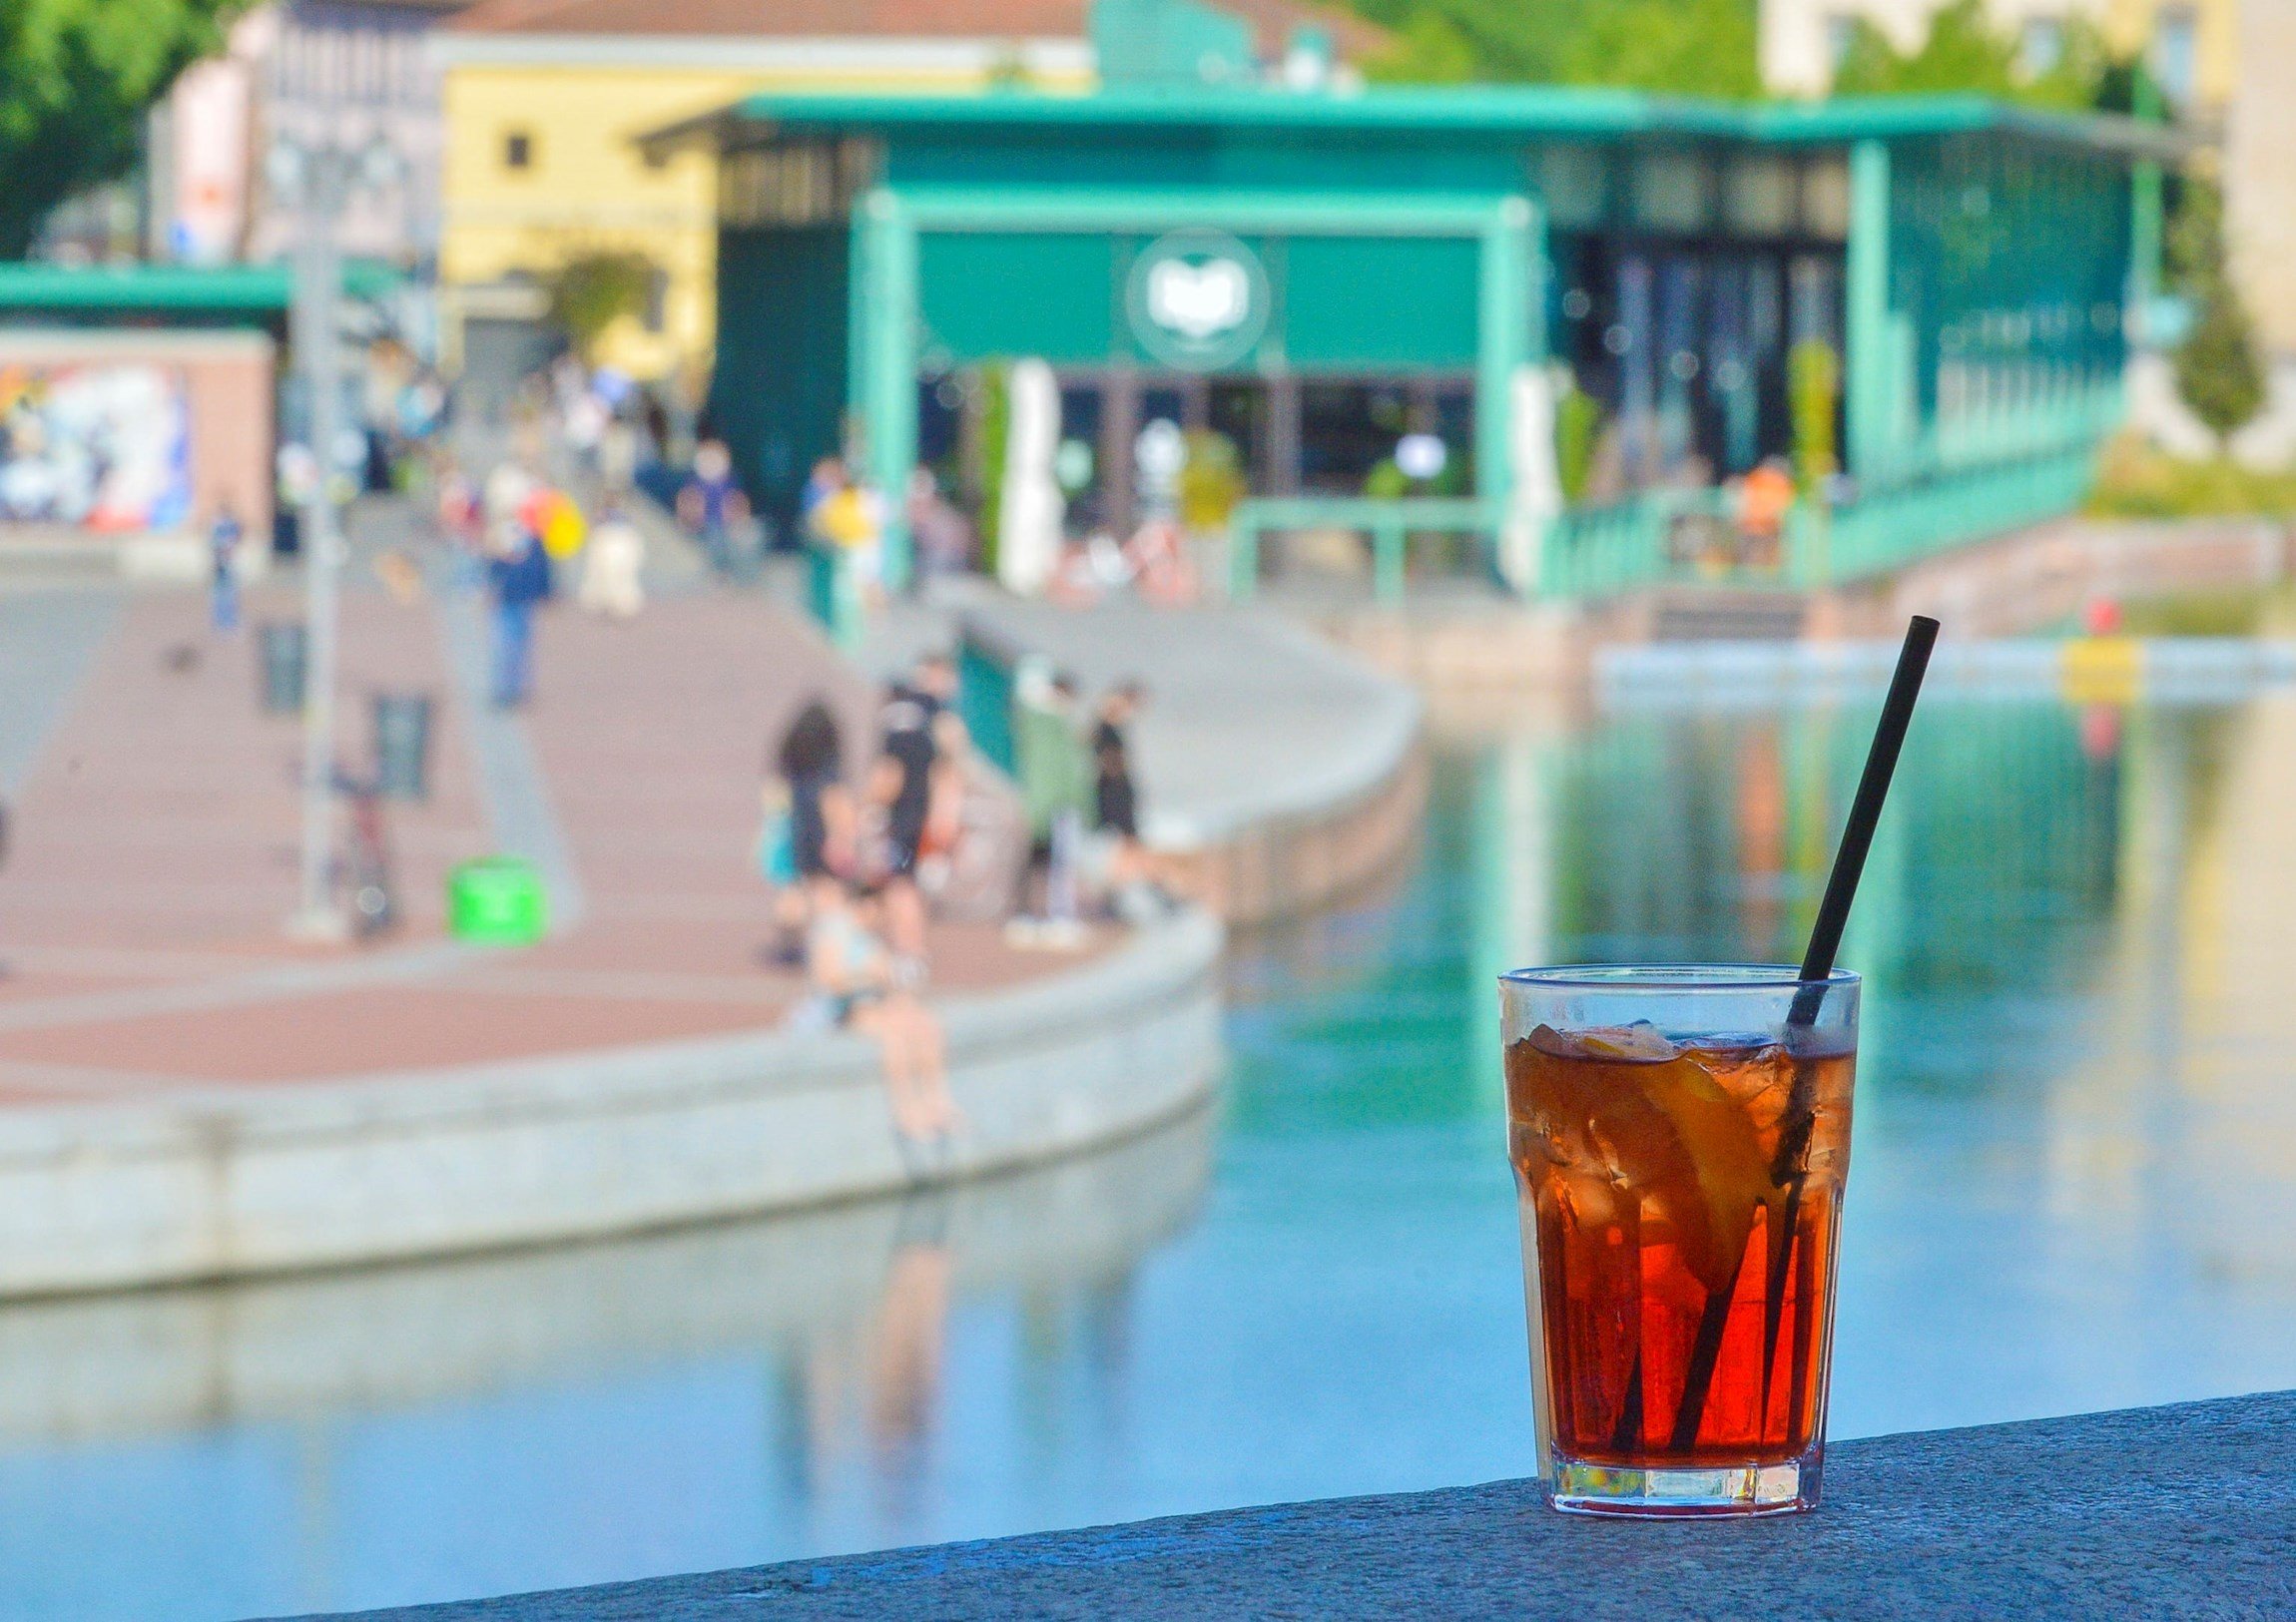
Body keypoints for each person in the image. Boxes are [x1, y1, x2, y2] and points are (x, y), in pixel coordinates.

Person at [802, 874, 958, 1143]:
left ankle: (937, 1100)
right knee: (896, 1036)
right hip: (847, 1010)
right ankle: (905, 1110)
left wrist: (898, 987)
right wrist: (870, 975)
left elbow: (889, 978)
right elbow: (828, 981)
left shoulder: (869, 936)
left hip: (875, 1004)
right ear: (867, 905)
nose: (882, 919)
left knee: (925, 1024)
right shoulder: (834, 931)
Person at [868, 653, 957, 975]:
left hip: (902, 821)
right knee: (907, 886)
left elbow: (889, 779)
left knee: (900, 887)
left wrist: (868, 807)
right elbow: (946, 772)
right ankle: (909, 950)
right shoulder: (926, 732)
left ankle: (909, 951)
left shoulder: (895, 733)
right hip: (921, 818)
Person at [767, 699, 856, 965]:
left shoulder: (793, 765)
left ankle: (789, 941)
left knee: (795, 886)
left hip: (798, 829)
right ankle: (832, 947)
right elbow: (834, 802)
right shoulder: (828, 767)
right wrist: (842, 838)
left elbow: (775, 796)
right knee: (827, 890)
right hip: (823, 833)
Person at [486, 516, 553, 708]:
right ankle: (506, 689)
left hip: (522, 599)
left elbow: (542, 570)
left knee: (519, 646)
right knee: (506, 646)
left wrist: (545, 593)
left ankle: (517, 689)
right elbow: (494, 569)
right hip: (507, 600)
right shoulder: (503, 540)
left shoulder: (533, 542)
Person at [677, 438, 748, 576]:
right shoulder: (695, 482)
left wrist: (740, 518)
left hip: (723, 522)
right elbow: (686, 499)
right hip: (701, 522)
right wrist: (686, 518)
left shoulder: (729, 481)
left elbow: (738, 500)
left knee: (723, 540)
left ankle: (723, 570)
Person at [578, 497, 646, 619]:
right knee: (612, 577)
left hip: (615, 545)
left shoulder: (617, 519)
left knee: (617, 578)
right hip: (614, 545)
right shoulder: (609, 518)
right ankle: (616, 605)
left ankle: (622, 606)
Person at [207, 501, 244, 632]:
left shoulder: (225, 525)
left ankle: (227, 622)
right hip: (221, 563)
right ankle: (222, 623)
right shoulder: (218, 525)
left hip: (227, 563)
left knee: (227, 594)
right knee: (221, 594)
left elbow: (236, 538)